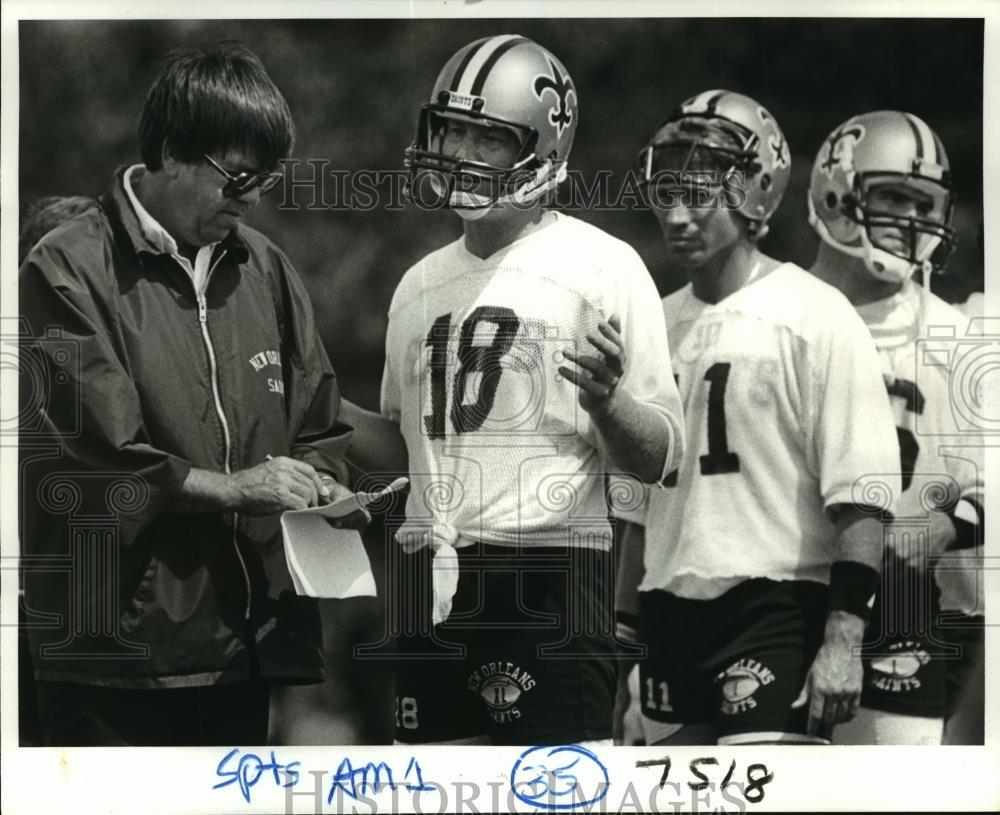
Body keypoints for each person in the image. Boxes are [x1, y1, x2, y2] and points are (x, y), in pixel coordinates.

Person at [18, 42, 365, 747]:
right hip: (113, 661)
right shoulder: (65, 265)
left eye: (265, 180)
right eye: (238, 178)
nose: (253, 200)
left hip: (243, 654)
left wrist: (328, 488)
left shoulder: (266, 267)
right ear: (172, 152)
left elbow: (319, 427)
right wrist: (241, 488)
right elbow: (105, 458)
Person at [344, 34, 684, 746]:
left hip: (549, 575)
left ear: (542, 152)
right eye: (450, 130)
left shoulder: (603, 267)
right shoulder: (416, 285)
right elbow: (403, 451)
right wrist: (312, 413)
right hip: (426, 574)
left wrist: (608, 403)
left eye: (485, 137)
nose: (459, 152)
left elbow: (658, 458)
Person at [621, 90, 901, 746]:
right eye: (668, 189)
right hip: (669, 609)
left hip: (775, 604)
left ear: (756, 191)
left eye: (700, 191)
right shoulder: (651, 324)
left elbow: (862, 494)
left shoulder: (815, 314)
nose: (678, 214)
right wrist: (622, 639)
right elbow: (637, 508)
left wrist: (842, 638)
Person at [808, 111, 985, 745]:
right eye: (891, 197)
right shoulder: (779, 314)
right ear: (837, 189)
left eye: (922, 203)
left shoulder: (958, 337)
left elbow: (990, 484)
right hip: (778, 593)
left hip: (906, 603)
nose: (909, 220)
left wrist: (948, 522)